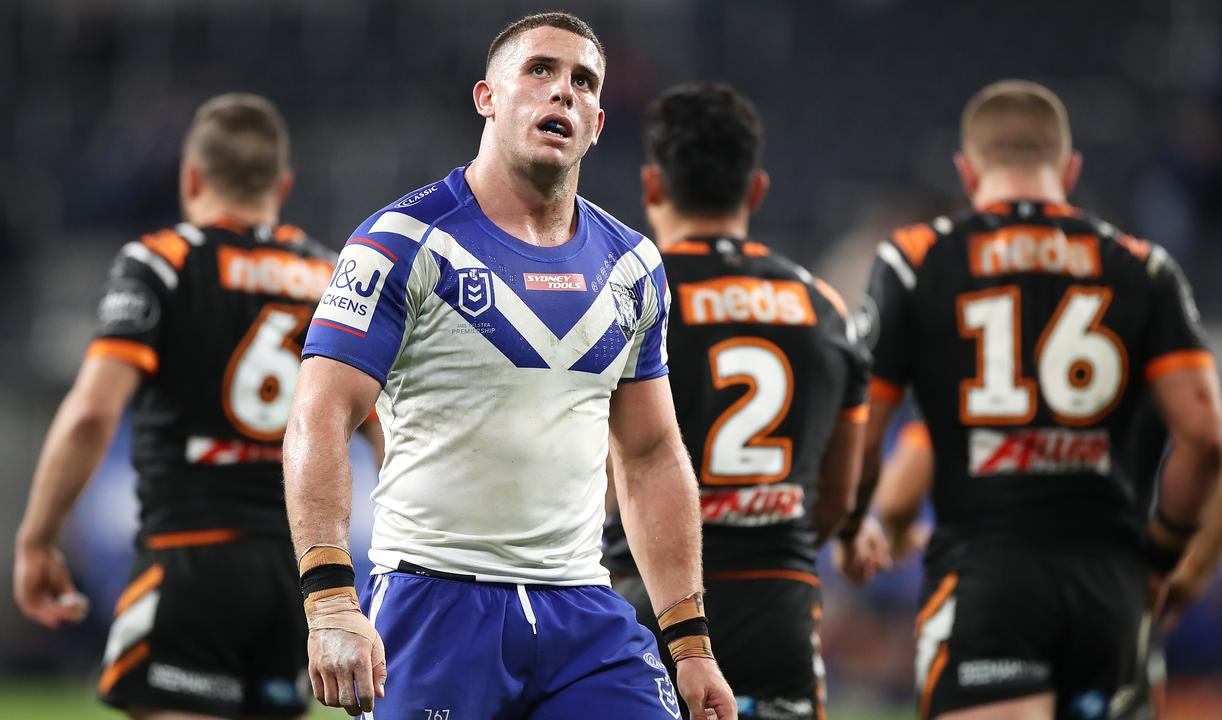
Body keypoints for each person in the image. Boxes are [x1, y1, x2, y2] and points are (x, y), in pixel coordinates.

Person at [283, 12, 736, 719]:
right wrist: (332, 600)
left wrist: (690, 645)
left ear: (597, 121)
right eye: (540, 72)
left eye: (583, 82)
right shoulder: (401, 241)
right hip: (433, 603)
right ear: (486, 97)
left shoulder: (634, 267)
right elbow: (320, 414)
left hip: (585, 612)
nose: (563, 93)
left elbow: (649, 456)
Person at [841, 79, 1222, 720]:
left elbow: (863, 421)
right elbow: (1208, 438)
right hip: (1111, 583)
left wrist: (858, 526)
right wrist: (1160, 555)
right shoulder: (1144, 267)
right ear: (1069, 170)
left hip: (987, 578)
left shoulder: (915, 261)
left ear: (968, 172)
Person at [13, 93, 379, 719]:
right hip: (289, 574)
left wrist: (37, 540)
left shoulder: (162, 262)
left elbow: (92, 415)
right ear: (281, 184)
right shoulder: (328, 276)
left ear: (191, 178)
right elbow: (379, 427)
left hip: (190, 556)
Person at [600, 83, 882, 720]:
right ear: (755, 189)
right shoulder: (824, 308)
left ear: (651, 186)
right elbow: (841, 495)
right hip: (779, 609)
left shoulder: (627, 295)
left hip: (651, 604)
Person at [865, 399, 1222, 718]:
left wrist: (896, 535)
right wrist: (1181, 573)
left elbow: (900, 493)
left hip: (993, 608)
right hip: (1111, 605)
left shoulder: (969, 334)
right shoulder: (1143, 321)